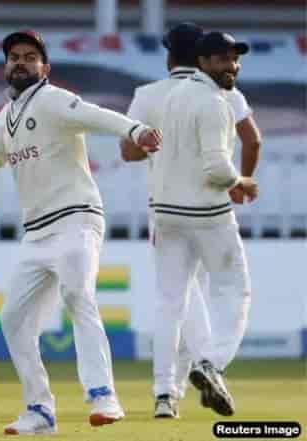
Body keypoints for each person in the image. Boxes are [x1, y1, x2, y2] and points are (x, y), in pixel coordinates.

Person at [0, 30, 161, 435]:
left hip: (76, 217)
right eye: (15, 57)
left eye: (31, 56)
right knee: (12, 319)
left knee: (78, 293)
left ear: (46, 67)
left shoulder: (52, 99)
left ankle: (102, 395)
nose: (22, 62)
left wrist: (135, 131)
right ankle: (40, 410)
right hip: (37, 233)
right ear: (6, 66)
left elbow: (97, 115)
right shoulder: (9, 115)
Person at [119, 23, 262, 418]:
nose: (231, 65)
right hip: (207, 210)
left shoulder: (153, 95)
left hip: (163, 209)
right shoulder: (222, 98)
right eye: (223, 58)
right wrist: (241, 182)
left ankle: (165, 394)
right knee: (233, 291)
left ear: (169, 57)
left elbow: (128, 153)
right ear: (200, 59)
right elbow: (247, 144)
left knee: (172, 303)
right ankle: (208, 364)